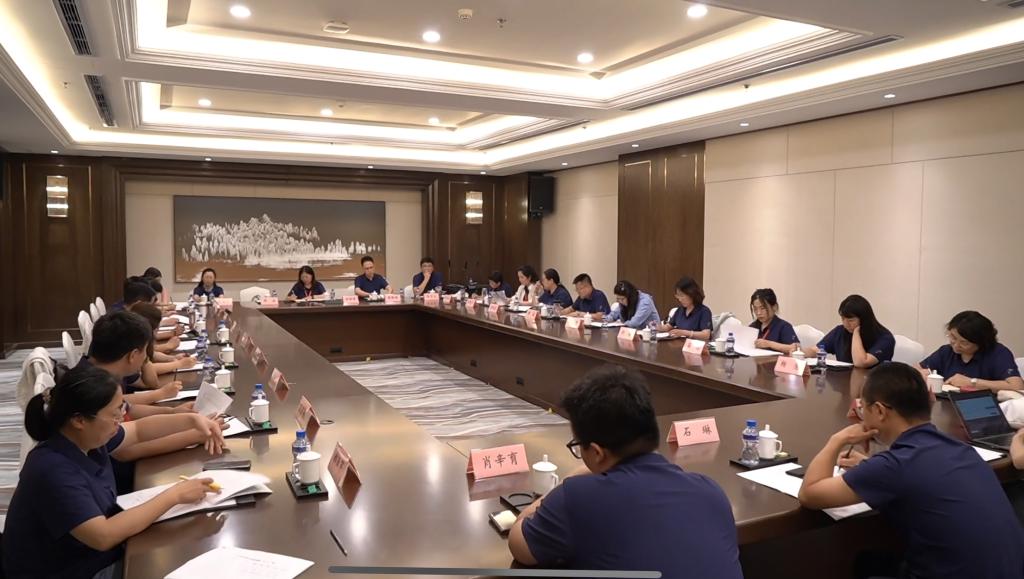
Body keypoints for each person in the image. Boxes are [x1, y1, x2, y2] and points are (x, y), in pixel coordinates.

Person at [509, 365, 742, 577]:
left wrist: (568, 480)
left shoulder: (578, 496)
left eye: (578, 446)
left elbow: (519, 544)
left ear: (597, 452)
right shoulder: (711, 491)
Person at [799, 362, 1024, 579]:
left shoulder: (894, 467)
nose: (861, 415)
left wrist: (838, 440)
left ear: (879, 410)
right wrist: (869, 466)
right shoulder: (960, 449)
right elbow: (916, 474)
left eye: (862, 407)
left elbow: (810, 493)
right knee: (870, 561)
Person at [2, 365, 222, 579]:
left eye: (121, 409)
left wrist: (191, 420)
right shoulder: (51, 468)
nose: (121, 420)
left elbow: (139, 430)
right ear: (79, 420)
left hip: (92, 557)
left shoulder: (87, 438)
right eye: (115, 414)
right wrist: (175, 495)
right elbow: (103, 536)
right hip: (71, 570)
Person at [919, 311, 1023, 392]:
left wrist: (972, 382)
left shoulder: (998, 353)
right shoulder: (946, 351)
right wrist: (920, 375)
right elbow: (918, 369)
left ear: (981, 343)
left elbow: (1017, 386)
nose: (956, 345)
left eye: (964, 343)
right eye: (953, 337)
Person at [811, 295, 894, 368]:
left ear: (864, 319)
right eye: (843, 319)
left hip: (872, 380)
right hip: (844, 379)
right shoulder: (840, 331)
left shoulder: (885, 338)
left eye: (851, 320)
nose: (846, 324)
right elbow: (816, 350)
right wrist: (803, 353)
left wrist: (856, 333)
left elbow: (861, 362)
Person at [747, 288, 799, 354]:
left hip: (776, 360)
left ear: (774, 307)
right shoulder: (752, 326)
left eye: (762, 308)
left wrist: (769, 344)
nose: (758, 313)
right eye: (755, 309)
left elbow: (796, 349)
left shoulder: (784, 326)